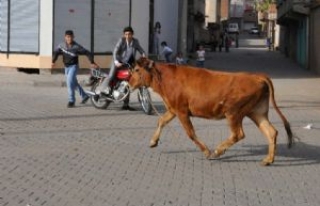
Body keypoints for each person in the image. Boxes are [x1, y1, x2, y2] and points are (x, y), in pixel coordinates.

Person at [100, 26, 145, 110]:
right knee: (111, 76)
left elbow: (141, 51)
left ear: (132, 34)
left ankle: (126, 105)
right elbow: (115, 51)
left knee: (128, 81)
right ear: (124, 35)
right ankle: (102, 91)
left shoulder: (135, 42)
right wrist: (116, 62)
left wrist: (144, 57)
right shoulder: (121, 40)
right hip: (118, 61)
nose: (128, 36)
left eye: (129, 34)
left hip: (128, 63)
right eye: (126, 34)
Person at [52, 30, 98, 108]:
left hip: (74, 66)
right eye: (67, 37)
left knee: (69, 82)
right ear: (65, 37)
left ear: (73, 37)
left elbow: (87, 52)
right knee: (73, 83)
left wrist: (92, 62)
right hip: (66, 67)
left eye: (70, 37)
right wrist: (53, 61)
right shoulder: (61, 45)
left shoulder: (76, 47)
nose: (69, 39)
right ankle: (85, 96)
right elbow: (56, 52)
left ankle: (71, 101)